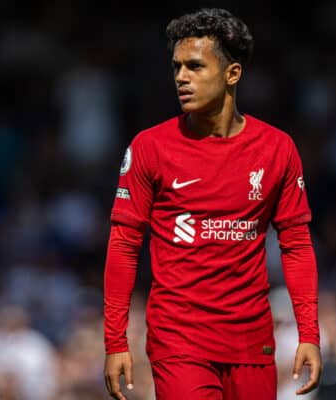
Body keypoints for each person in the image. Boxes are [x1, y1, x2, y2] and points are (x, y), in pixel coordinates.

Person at [103, 8, 321, 400]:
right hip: (179, 340)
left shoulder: (277, 149)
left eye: (195, 66)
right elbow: (123, 244)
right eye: (176, 67)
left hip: (252, 341)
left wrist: (309, 333)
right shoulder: (150, 148)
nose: (181, 78)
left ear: (232, 74)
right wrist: (115, 341)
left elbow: (297, 245)